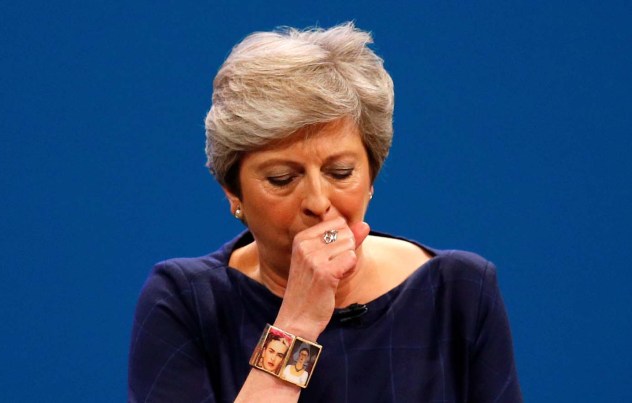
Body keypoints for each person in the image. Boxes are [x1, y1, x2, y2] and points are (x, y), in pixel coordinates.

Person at [128, 22, 522, 402]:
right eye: (282, 178)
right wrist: (295, 324)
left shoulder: (459, 293)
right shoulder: (186, 302)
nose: (318, 201)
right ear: (234, 194)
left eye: (340, 172)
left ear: (371, 177)